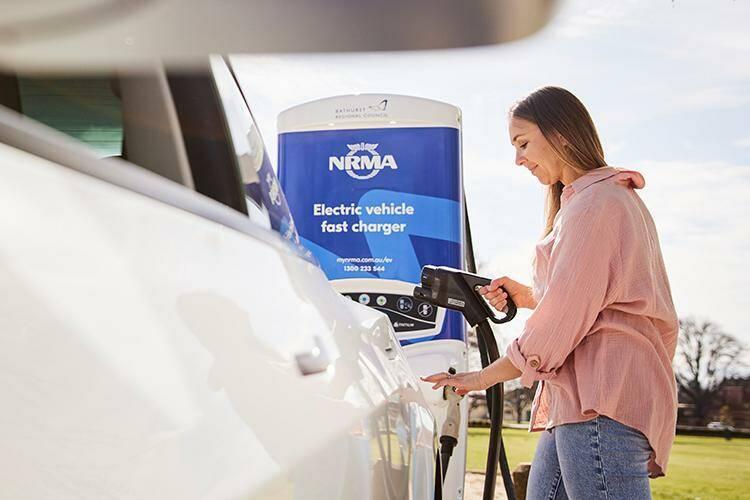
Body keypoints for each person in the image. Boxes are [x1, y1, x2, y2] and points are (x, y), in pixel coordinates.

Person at [422, 86, 678, 499]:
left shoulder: (597, 205)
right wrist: (530, 296)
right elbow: (594, 299)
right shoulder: (598, 201)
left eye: (523, 143)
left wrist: (482, 378)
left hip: (600, 400)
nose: (518, 159)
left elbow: (558, 327)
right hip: (581, 399)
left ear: (560, 133)